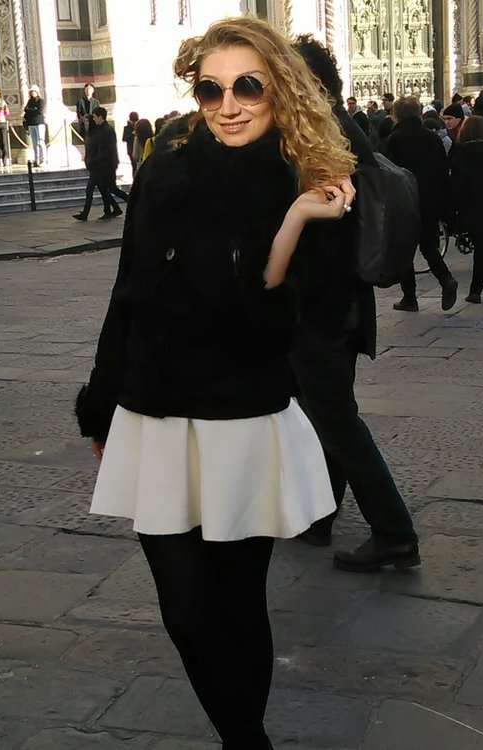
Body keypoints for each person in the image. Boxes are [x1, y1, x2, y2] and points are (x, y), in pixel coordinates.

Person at [75, 16, 355, 749]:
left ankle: (243, 742)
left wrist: (295, 219)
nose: (227, 106)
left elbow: (271, 326)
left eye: (247, 87)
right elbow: (127, 291)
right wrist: (102, 401)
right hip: (154, 409)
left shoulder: (305, 177)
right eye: (210, 89)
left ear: (278, 91)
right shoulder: (167, 165)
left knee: (235, 604)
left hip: (240, 416)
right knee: (185, 611)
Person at [291, 34, 420, 571]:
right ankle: (321, 516)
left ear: (312, 85)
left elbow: (320, 230)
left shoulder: (323, 139)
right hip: (341, 303)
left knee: (335, 419)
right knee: (327, 413)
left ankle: (394, 533)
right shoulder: (344, 130)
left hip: (323, 305)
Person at [385, 96, 457, 312]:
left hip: (405, 201)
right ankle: (446, 279)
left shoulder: (394, 139)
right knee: (429, 245)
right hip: (430, 199)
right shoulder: (432, 138)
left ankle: (410, 297)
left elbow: (390, 173)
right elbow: (443, 172)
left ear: (396, 114)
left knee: (405, 249)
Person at [451, 115, 483, 311]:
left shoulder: (463, 154)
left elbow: (458, 186)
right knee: (482, 250)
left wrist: (453, 212)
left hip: (476, 208)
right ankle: (475, 290)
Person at [73, 107, 127, 221]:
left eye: (94, 117)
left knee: (110, 188)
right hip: (100, 165)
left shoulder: (107, 130)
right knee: (104, 189)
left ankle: (131, 201)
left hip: (106, 165)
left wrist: (95, 160)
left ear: (100, 117)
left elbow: (108, 150)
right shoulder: (100, 130)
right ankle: (110, 210)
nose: (93, 119)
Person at [23, 85, 46, 167]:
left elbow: (39, 111)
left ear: (37, 92)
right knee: (34, 143)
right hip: (31, 123)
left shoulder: (41, 101)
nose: (32, 93)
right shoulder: (30, 101)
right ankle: (36, 159)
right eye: (31, 91)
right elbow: (25, 110)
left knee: (41, 142)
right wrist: (32, 110)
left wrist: (30, 111)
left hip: (39, 123)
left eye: (33, 91)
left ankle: (43, 159)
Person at [122, 110, 139, 178]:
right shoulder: (127, 128)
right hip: (131, 148)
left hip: (136, 148)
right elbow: (124, 139)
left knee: (136, 165)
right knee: (134, 165)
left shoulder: (139, 126)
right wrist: (132, 134)